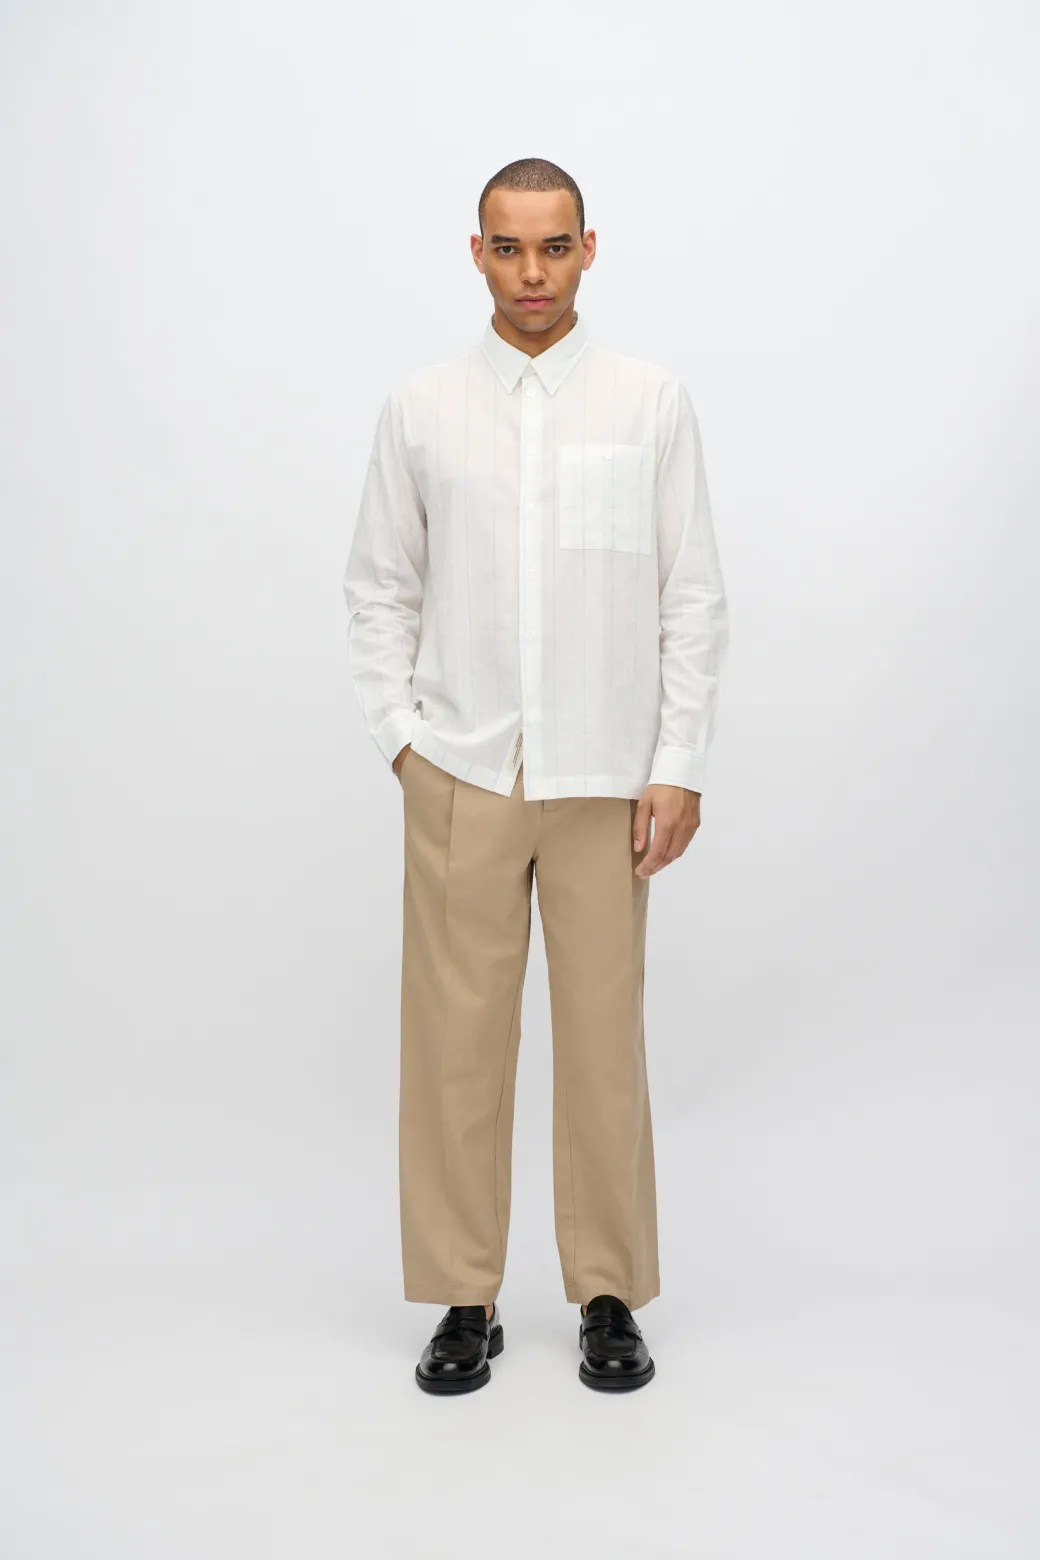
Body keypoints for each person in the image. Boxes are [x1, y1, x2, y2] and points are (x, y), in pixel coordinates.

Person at [342, 157, 729, 1394]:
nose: (530, 274)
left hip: (604, 775)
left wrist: (676, 764)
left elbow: (691, 595)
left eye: (552, 247)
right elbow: (378, 587)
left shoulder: (648, 402)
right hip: (460, 768)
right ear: (476, 253)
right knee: (453, 1045)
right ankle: (464, 1297)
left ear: (587, 249)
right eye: (507, 248)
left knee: (602, 1042)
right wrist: (402, 740)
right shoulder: (420, 408)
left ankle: (607, 1292)